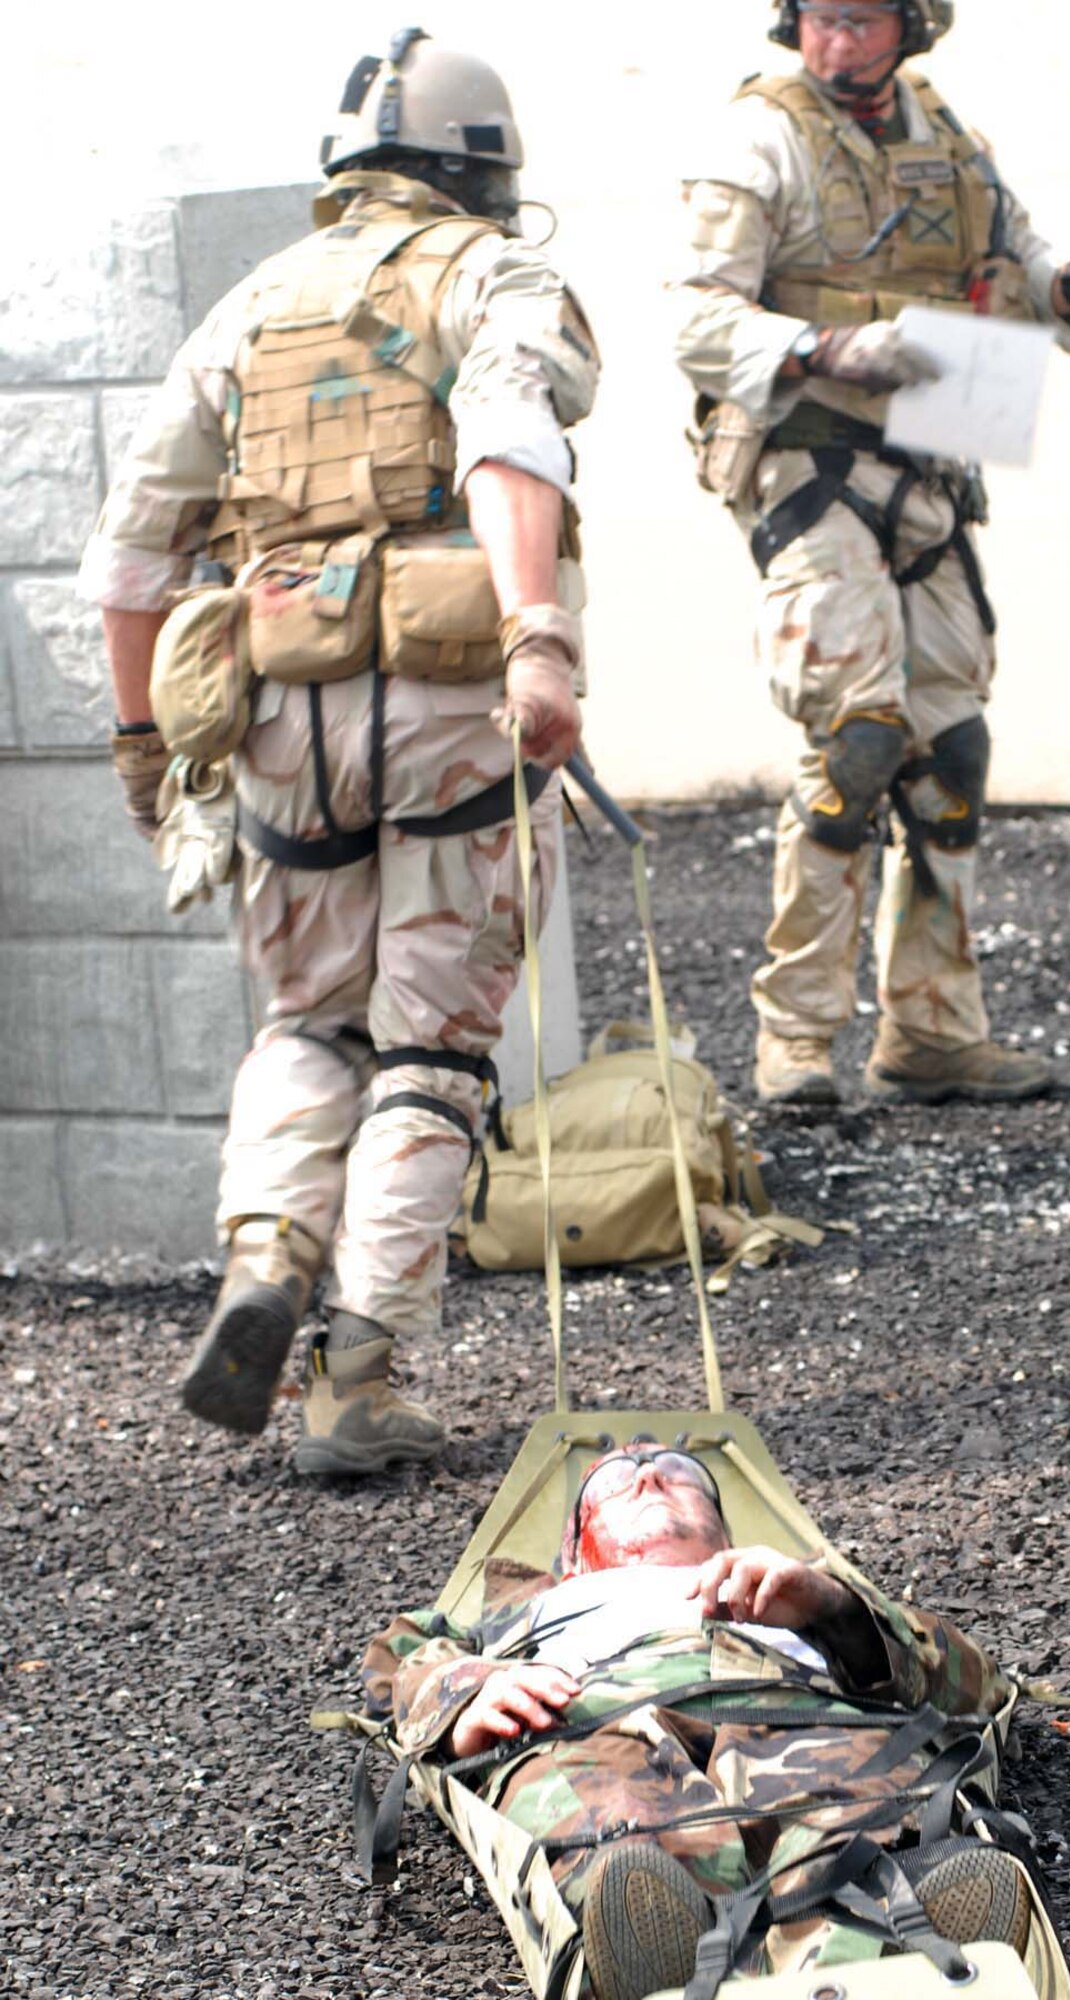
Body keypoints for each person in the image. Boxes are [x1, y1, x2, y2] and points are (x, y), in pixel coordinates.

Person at [78, 30, 599, 1475]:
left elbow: (127, 560)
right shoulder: (494, 277)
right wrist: (536, 634)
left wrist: (139, 743)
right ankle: (356, 1382)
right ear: (482, 173)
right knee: (431, 1044)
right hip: (445, 707)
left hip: (278, 701)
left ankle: (264, 1253)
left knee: (309, 1022)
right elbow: (507, 441)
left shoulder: (245, 307)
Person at [671, 1, 1070, 1108]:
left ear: (909, 24)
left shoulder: (944, 133)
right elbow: (694, 315)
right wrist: (821, 345)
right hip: (810, 463)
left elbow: (1009, 243)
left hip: (927, 463)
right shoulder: (757, 138)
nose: (835, 43)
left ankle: (931, 1030)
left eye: (859, 18)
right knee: (857, 739)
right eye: (818, 18)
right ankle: (796, 1036)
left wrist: (1065, 280)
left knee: (950, 744)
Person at [361, 1441, 1047, 2000]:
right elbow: (401, 1657)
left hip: (804, 1715)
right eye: (613, 1480)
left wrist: (832, 1608)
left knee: (858, 1833)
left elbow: (975, 1684)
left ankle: (893, 1937)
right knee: (629, 1835)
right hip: (595, 1722)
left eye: (682, 1475)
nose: (652, 1476)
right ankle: (663, 1948)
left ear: (724, 1530)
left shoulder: (796, 1591)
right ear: (570, 1554)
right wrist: (467, 1690)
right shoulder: (528, 1611)